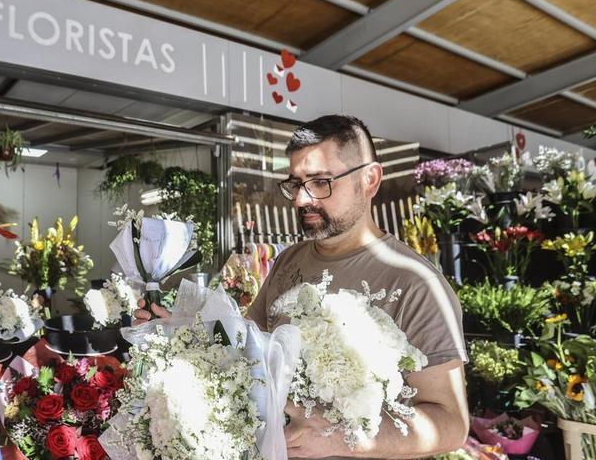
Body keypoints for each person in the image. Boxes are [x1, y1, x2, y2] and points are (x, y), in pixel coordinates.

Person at [136, 115, 469, 459]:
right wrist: (175, 334)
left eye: (321, 182)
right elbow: (244, 351)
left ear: (370, 180)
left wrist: (342, 437)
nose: (300, 200)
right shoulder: (288, 260)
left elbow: (451, 424)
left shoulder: (416, 283)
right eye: (295, 184)